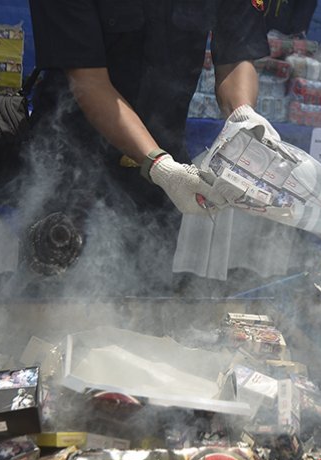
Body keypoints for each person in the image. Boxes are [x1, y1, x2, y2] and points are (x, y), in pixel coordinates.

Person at [24, 1, 277, 289]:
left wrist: (244, 118)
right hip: (70, 169)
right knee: (47, 308)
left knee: (142, 307)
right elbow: (88, 82)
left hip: (158, 182)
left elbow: (235, 57)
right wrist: (159, 165)